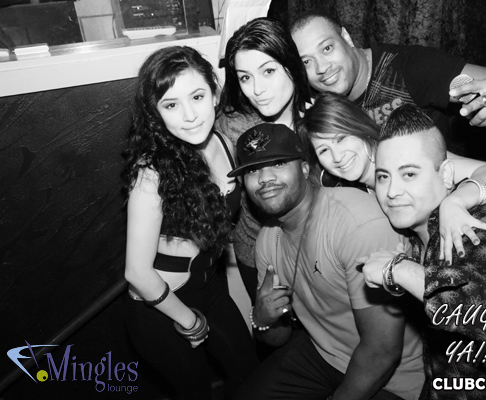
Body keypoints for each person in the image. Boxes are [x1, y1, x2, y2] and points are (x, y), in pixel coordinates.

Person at [358, 104, 486, 399]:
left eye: (409, 174)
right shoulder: (419, 235)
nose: (392, 191)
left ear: (446, 175)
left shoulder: (478, 224)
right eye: (383, 177)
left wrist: (399, 270)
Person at [228, 123, 425, 400]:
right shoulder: (266, 239)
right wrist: (262, 319)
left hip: (393, 379)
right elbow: (277, 338)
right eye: (252, 170)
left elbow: (382, 352)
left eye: (279, 163)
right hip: (323, 354)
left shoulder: (357, 223)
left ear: (304, 169)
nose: (264, 178)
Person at [122, 46, 259, 400]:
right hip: (159, 306)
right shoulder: (151, 173)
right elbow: (137, 272)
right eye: (171, 105)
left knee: (250, 375)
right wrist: (188, 320)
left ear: (214, 94)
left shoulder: (224, 143)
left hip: (209, 288)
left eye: (197, 97)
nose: (189, 116)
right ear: (156, 114)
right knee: (196, 392)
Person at [298, 91, 486, 262]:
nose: (337, 157)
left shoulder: (402, 151)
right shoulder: (352, 194)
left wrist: (455, 202)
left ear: (359, 128)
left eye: (341, 139)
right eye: (324, 150)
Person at [290, 11, 486, 132]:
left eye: (327, 48)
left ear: (346, 38)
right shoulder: (313, 103)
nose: (322, 68)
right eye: (306, 62)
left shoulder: (409, 68)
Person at [214, 17, 313, 299]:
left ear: (291, 64)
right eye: (245, 77)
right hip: (258, 255)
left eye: (268, 71)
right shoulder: (234, 127)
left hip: (318, 250)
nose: (257, 90)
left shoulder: (320, 115)